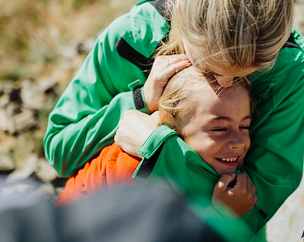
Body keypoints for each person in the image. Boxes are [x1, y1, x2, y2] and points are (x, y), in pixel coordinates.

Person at [44, 0, 304, 240]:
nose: (227, 84)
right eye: (212, 68)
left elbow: (256, 200)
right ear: (181, 15)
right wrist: (140, 99)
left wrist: (157, 149)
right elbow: (60, 152)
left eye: (252, 71)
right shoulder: (130, 41)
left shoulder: (286, 65)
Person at [57, 67, 256, 218]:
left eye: (244, 127)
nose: (238, 142)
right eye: (219, 129)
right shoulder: (132, 169)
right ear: (172, 128)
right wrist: (219, 215)